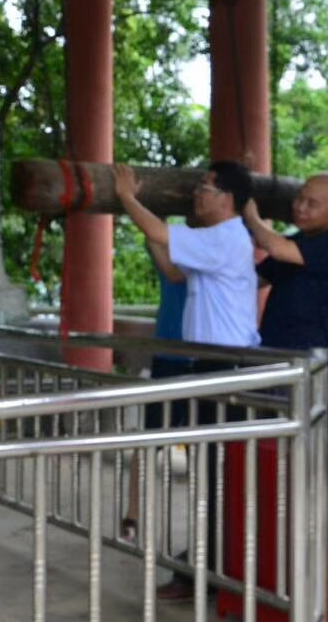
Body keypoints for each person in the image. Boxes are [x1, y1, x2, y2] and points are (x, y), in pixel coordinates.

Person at [113, 160, 259, 601]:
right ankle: (212, 561)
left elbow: (162, 233)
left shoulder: (225, 237)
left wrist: (127, 197)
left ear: (227, 198)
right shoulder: (218, 241)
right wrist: (148, 229)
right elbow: (175, 270)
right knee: (213, 474)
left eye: (205, 187)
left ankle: (214, 567)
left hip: (226, 368)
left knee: (219, 476)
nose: (198, 193)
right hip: (212, 367)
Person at [121, 238, 191, 543]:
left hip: (203, 358)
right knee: (149, 439)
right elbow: (152, 236)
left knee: (204, 445)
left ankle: (208, 522)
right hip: (169, 358)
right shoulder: (173, 255)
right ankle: (132, 514)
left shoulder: (217, 256)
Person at [243, 171, 328, 354]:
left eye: (312, 204)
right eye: (299, 198)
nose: (300, 207)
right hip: (271, 342)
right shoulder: (298, 240)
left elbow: (277, 248)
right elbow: (254, 279)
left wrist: (252, 217)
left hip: (306, 349)